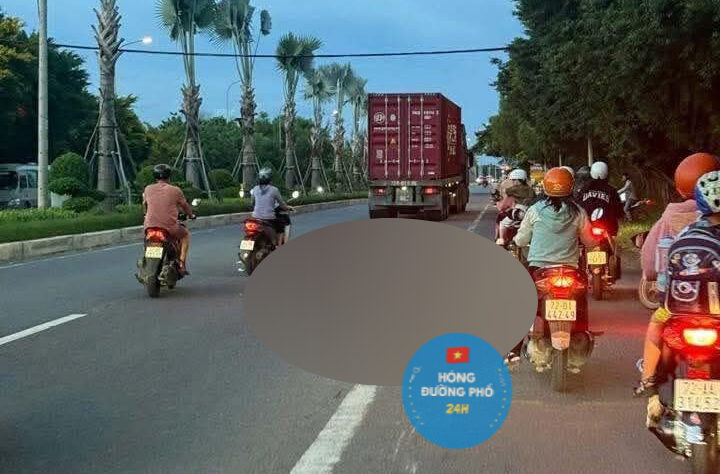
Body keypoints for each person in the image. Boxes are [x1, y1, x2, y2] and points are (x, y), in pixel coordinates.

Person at [637, 170, 720, 428]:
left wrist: (666, 303)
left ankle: (649, 385)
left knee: (655, 324)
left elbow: (662, 276)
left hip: (678, 312)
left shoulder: (682, 235)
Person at [504, 167, 594, 365]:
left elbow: (521, 239)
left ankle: (514, 351)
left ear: (545, 187)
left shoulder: (535, 211)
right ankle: (581, 339)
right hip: (570, 270)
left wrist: (514, 242)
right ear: (571, 187)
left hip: (540, 270)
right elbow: (589, 241)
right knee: (580, 302)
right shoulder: (578, 212)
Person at [142, 164, 195, 276]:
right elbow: (185, 206)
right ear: (169, 176)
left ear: (155, 176)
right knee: (185, 235)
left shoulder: (148, 189)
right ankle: (181, 264)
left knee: (146, 241)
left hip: (149, 226)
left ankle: (145, 261)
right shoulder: (175, 190)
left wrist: (146, 215)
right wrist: (191, 215)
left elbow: (145, 205)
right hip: (169, 227)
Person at [250, 168, 294, 246]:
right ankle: (278, 246)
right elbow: (282, 205)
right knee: (281, 225)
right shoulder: (274, 190)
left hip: (255, 218)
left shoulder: (255, 189)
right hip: (269, 219)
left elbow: (252, 203)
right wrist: (288, 208)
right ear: (270, 178)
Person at [495, 169, 535, 246]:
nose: (512, 182)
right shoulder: (531, 189)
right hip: (530, 212)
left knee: (503, 223)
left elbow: (505, 193)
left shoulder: (514, 189)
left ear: (518, 180)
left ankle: (502, 239)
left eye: (513, 180)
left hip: (518, 213)